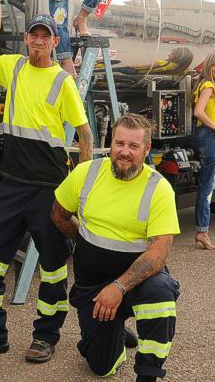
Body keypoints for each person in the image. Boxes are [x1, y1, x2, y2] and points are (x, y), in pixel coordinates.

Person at [0, 14, 93, 364]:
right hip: (13, 184)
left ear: (55, 43)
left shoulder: (63, 82)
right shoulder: (13, 68)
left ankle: (45, 338)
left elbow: (85, 133)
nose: (39, 41)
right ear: (26, 39)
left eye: (45, 37)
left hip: (50, 188)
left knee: (53, 264)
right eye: (34, 35)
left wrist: (82, 184)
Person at [52, 114, 180, 382]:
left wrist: (119, 287)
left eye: (133, 146)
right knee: (101, 367)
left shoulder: (159, 188)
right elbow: (59, 214)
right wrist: (85, 243)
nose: (124, 152)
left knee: (161, 292)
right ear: (110, 143)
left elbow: (158, 254)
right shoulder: (85, 174)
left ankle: (148, 374)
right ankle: (116, 336)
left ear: (147, 149)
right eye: (119, 143)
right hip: (93, 286)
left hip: (136, 284)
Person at [191, 52, 215, 250]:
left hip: (209, 138)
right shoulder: (207, 85)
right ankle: (202, 232)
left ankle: (203, 231)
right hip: (210, 137)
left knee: (209, 184)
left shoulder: (211, 85)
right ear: (208, 66)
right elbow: (198, 111)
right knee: (206, 190)